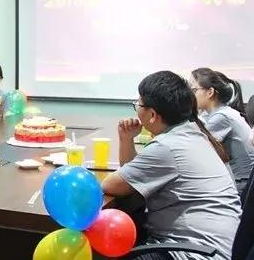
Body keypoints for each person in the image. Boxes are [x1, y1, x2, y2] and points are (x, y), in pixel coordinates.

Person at [102, 71, 241, 260]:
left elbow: (111, 185)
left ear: (152, 114)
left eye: (138, 104)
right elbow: (132, 179)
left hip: (194, 253)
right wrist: (126, 139)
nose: (136, 109)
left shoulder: (167, 146)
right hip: (219, 248)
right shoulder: (192, 134)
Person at [191, 67, 254, 194]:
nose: (190, 95)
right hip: (243, 181)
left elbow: (196, 149)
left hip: (242, 185)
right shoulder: (222, 112)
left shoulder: (221, 117)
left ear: (210, 92)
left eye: (194, 90)